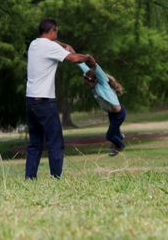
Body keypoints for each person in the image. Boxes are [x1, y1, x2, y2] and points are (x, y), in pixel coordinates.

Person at [25, 19, 94, 179]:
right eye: (56, 32)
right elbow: (74, 58)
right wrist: (88, 58)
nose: (57, 35)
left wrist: (63, 45)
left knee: (35, 143)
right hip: (45, 101)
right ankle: (56, 176)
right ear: (51, 31)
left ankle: (30, 177)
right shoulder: (50, 46)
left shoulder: (34, 44)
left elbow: (55, 43)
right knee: (55, 141)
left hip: (30, 100)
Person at [78, 57, 126, 156]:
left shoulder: (103, 83)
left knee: (109, 136)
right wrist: (74, 57)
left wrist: (94, 64)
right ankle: (119, 139)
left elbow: (97, 71)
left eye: (88, 84)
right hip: (112, 114)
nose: (88, 87)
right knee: (115, 134)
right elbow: (84, 68)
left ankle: (120, 146)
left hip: (119, 114)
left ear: (95, 80)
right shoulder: (90, 78)